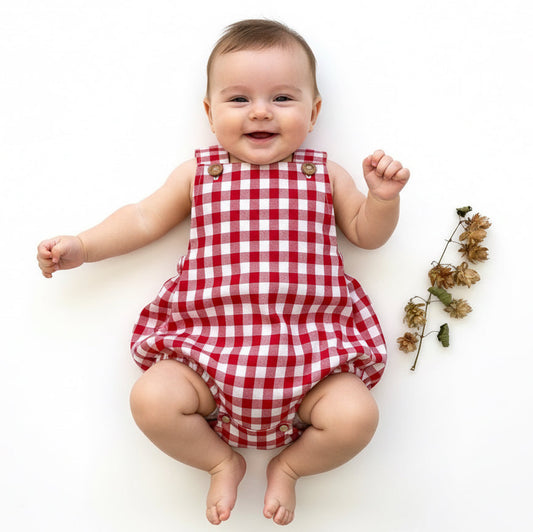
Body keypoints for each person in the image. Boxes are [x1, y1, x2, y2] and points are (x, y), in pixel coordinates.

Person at [37, 19, 410, 526]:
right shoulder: (201, 170)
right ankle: (219, 460)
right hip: (209, 353)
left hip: (311, 356)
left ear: (314, 112)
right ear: (210, 114)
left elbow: (367, 234)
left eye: (282, 98)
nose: (260, 111)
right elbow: (143, 218)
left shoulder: (323, 172)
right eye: (239, 100)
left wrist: (382, 201)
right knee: (150, 399)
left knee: (357, 416)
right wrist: (84, 245)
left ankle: (291, 468)